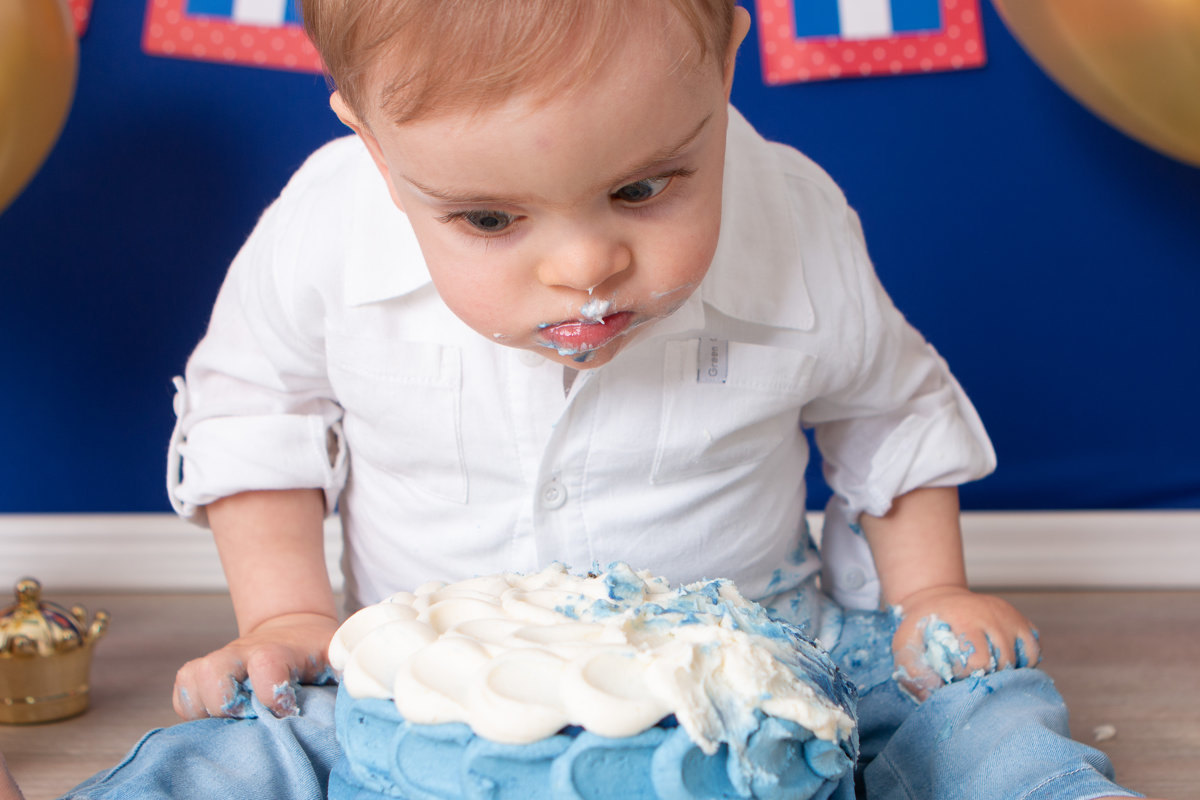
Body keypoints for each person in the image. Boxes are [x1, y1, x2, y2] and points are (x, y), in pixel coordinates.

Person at [17, 1, 1154, 798]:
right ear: (371, 144)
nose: (584, 268)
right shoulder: (323, 228)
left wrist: (931, 591)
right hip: (416, 668)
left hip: (756, 657)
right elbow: (252, 417)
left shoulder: (796, 214)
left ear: (720, 75)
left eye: (643, 188)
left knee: (967, 703)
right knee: (257, 733)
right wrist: (283, 617)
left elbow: (889, 413)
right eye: (491, 220)